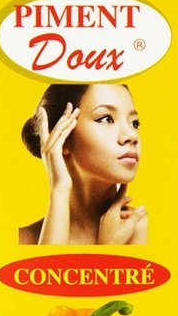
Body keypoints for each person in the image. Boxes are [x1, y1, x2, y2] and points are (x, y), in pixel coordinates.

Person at [19, 84, 147, 245]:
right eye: (106, 119)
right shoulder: (19, 240)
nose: (132, 135)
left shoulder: (144, 231)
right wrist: (59, 188)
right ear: (61, 137)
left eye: (134, 123)